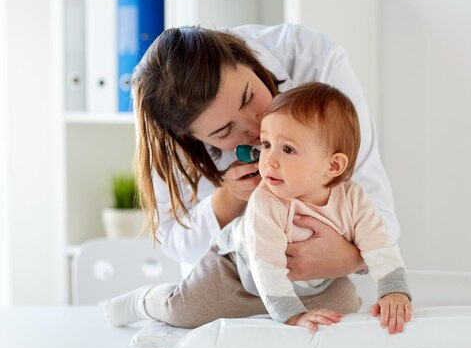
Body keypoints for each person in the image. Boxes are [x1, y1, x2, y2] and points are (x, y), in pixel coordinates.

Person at [119, 24, 400, 328]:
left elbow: (380, 217)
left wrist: (352, 258)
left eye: (249, 96)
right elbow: (174, 239)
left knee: (344, 306)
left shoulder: (316, 60)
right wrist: (228, 200)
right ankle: (146, 301)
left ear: (245, 57)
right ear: (187, 137)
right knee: (188, 313)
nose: (256, 129)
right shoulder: (163, 115)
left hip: (315, 281)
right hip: (232, 272)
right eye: (223, 131)